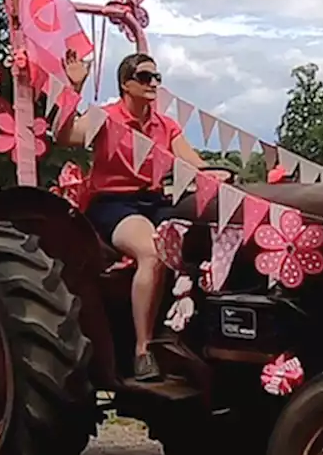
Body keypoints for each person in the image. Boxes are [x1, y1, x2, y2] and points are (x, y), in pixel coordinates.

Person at [54, 50, 223, 381]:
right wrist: (74, 88)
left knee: (200, 242)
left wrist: (216, 175)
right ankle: (143, 351)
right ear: (125, 85)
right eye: (144, 77)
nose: (153, 84)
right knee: (153, 251)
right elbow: (63, 136)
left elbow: (193, 162)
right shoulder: (105, 118)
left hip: (155, 200)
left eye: (156, 77)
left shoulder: (165, 125)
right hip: (114, 203)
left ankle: (190, 335)